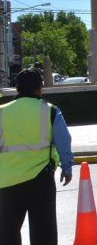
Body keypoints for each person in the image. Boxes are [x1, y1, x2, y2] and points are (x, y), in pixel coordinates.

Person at [0, 69, 74, 245]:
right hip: (41, 180)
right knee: (44, 233)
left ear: (17, 88)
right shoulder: (50, 111)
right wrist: (67, 168)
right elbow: (64, 141)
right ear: (39, 89)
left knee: (7, 232)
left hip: (6, 182)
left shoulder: (2, 112)